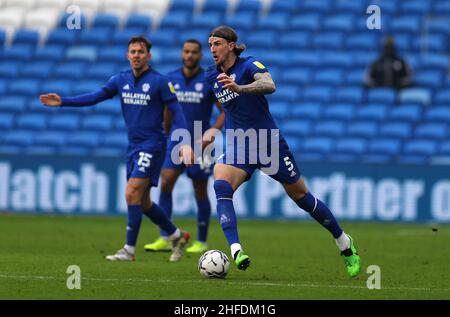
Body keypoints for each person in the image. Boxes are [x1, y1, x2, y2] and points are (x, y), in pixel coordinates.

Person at [206, 25, 361, 277]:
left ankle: (344, 242)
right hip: (239, 144)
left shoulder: (249, 65)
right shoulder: (210, 76)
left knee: (302, 197)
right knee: (221, 186)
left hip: (268, 142)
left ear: (231, 45)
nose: (212, 49)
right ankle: (236, 251)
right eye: (210, 44)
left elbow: (269, 84)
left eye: (217, 44)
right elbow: (216, 101)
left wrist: (241, 89)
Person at [39, 36, 193, 262]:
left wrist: (186, 142)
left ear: (148, 56)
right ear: (127, 55)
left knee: (131, 193)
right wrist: (64, 101)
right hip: (133, 147)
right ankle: (176, 235)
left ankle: (128, 250)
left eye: (141, 52)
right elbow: (95, 97)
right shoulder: (120, 80)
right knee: (143, 202)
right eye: (133, 52)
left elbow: (178, 112)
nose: (136, 55)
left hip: (152, 145)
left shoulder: (160, 82)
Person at [144, 39, 224, 254]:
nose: (189, 55)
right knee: (166, 182)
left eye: (194, 52)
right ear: (182, 54)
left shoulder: (208, 80)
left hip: (200, 142)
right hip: (176, 141)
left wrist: (212, 132)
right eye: (186, 51)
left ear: (200, 55)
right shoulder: (171, 78)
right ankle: (165, 236)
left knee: (199, 190)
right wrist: (165, 132)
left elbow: (224, 111)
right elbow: (167, 109)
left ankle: (201, 242)